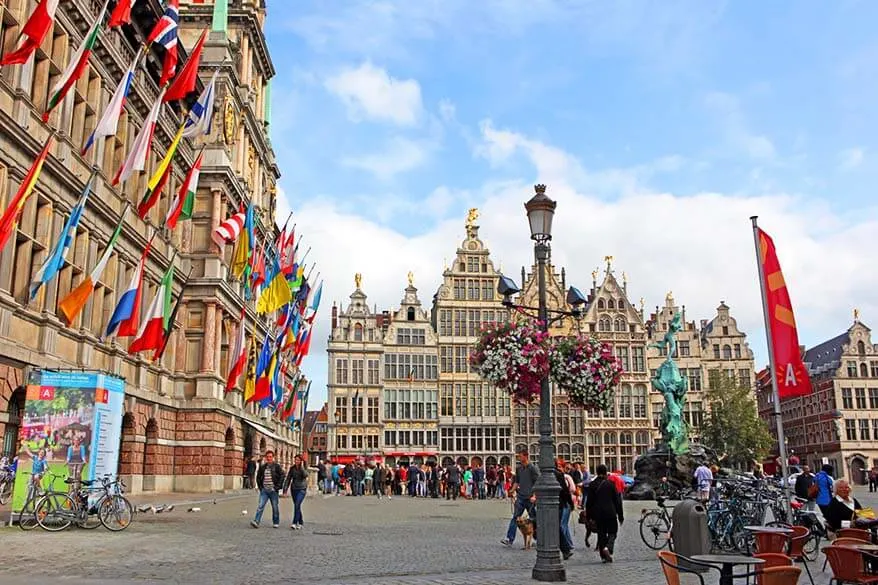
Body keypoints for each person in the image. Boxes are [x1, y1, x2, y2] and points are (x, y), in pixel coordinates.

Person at [501, 448, 539, 547]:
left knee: (534, 519)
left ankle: (538, 538)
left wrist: (535, 495)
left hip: (530, 497)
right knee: (515, 518)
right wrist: (512, 490)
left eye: (520, 456)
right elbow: (517, 482)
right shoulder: (519, 468)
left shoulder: (533, 468)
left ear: (526, 456)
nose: (519, 457)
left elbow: (537, 483)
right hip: (521, 497)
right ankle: (509, 538)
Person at [585, 464, 623, 563]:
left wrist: (589, 516)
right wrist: (620, 516)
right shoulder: (610, 484)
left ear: (597, 472)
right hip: (610, 512)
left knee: (601, 534)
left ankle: (603, 557)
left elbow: (589, 502)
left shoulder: (592, 485)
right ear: (606, 472)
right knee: (612, 532)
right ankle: (608, 549)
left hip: (598, 514)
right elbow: (617, 501)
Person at [250, 450, 284, 529]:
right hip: (264, 490)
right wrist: (261, 487)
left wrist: (277, 487)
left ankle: (276, 522)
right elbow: (258, 477)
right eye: (267, 457)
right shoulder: (263, 467)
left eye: (270, 457)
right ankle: (256, 521)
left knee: (275, 507)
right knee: (260, 506)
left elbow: (282, 476)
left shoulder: (277, 466)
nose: (269, 458)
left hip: (273, 490)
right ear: (265, 458)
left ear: (273, 457)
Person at [555, 458, 575, 560]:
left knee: (559, 526)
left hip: (560, 504)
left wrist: (570, 503)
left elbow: (566, 491)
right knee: (559, 526)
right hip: (558, 504)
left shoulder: (559, 475)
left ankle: (566, 548)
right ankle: (565, 548)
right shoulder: (558, 475)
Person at [283, 454, 309, 529]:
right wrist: (285, 490)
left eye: (298, 460)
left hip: (302, 488)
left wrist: (302, 467)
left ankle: (294, 522)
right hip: (294, 489)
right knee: (297, 506)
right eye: (295, 460)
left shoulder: (304, 467)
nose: (296, 461)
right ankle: (301, 522)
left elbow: (305, 475)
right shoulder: (292, 468)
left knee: (297, 504)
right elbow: (288, 479)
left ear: (301, 461)